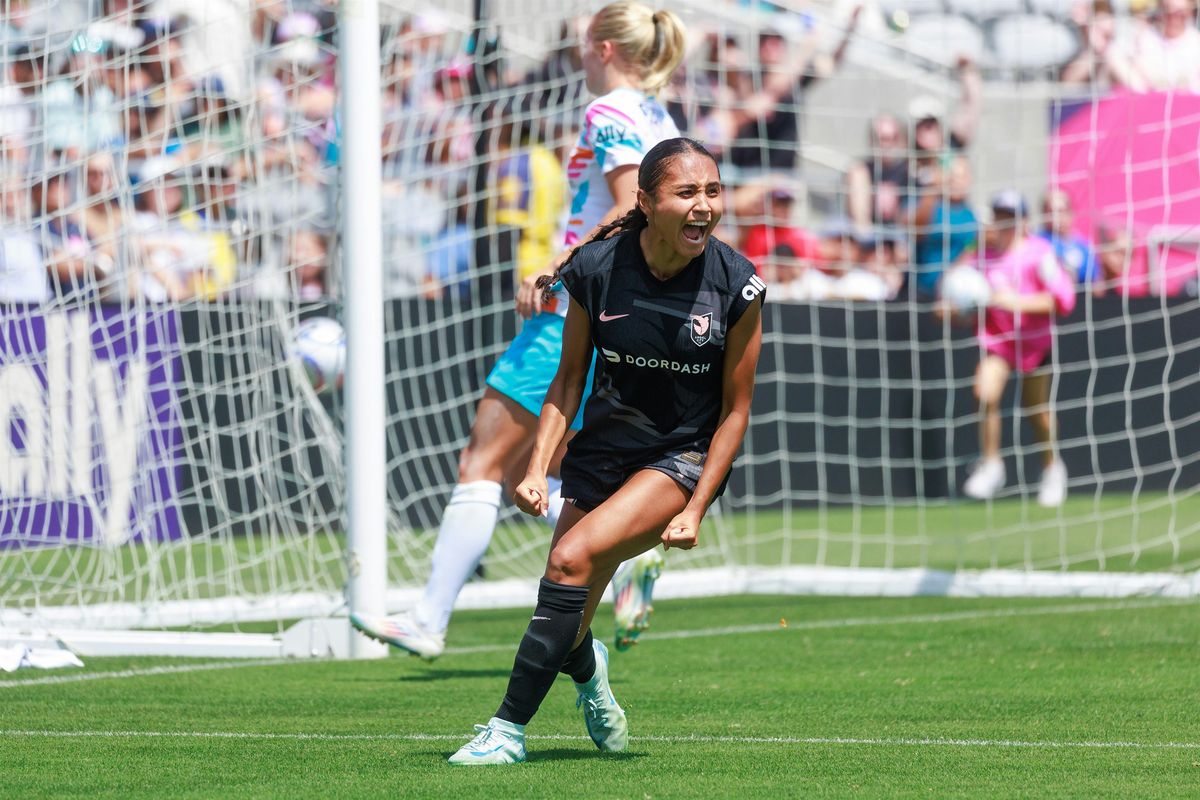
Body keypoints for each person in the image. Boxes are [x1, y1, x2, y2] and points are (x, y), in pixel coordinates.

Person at [350, 0, 687, 660]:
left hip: (576, 316)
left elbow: (628, 205)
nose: (580, 57)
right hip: (631, 316)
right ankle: (636, 545)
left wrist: (558, 266)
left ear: (604, 48)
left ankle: (427, 619)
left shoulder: (611, 112)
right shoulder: (659, 117)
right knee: (542, 473)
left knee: (483, 460)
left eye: (584, 46)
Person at [448, 137, 764, 766]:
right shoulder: (597, 269)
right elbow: (568, 378)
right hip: (603, 449)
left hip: (680, 459)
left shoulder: (738, 285)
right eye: (686, 193)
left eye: (712, 192)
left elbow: (736, 411)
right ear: (645, 202)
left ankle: (505, 731)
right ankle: (591, 680)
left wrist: (695, 508)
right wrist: (537, 468)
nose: (704, 206)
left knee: (569, 561)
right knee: (565, 614)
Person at [960, 191, 1077, 508]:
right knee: (984, 392)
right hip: (997, 343)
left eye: (1011, 217)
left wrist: (1017, 302)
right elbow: (957, 286)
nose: (1004, 223)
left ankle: (1053, 469)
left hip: (1035, 344)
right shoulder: (981, 256)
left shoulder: (1041, 253)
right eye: (999, 216)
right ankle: (992, 464)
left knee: (1037, 411)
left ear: (1024, 221)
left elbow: (1063, 300)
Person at [1037, 189, 1099, 288]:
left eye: (1061, 211)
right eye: (1051, 212)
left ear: (1071, 213)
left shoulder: (1084, 246)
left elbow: (1095, 282)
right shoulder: (1038, 243)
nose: (1056, 217)